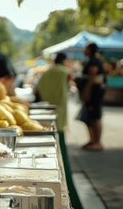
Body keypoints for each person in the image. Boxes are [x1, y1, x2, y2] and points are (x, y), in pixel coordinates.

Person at [36, 52, 83, 209]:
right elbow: (73, 84)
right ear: (65, 61)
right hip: (60, 114)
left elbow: (38, 89)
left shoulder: (47, 72)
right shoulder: (65, 72)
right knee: (60, 157)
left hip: (44, 114)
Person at [79, 42, 105, 151]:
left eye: (85, 48)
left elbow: (91, 78)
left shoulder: (94, 61)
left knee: (95, 117)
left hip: (94, 93)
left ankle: (98, 142)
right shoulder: (90, 60)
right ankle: (92, 140)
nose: (84, 50)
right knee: (90, 117)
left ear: (90, 49)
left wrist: (86, 92)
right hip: (92, 92)